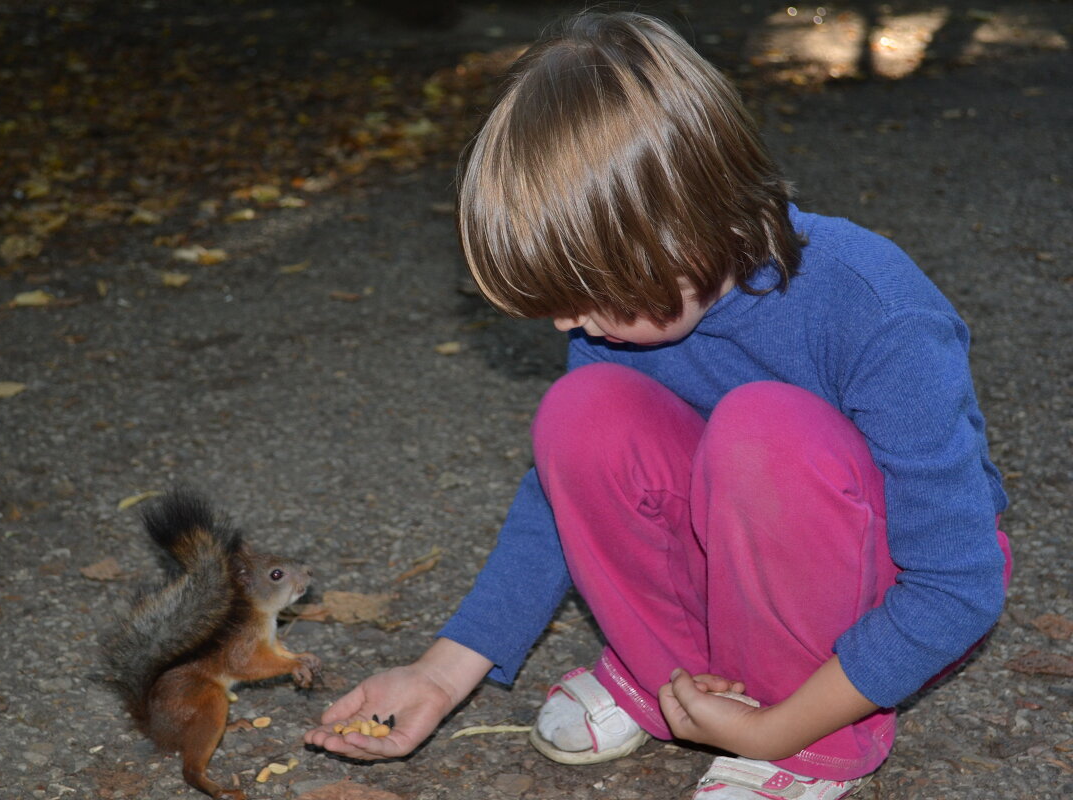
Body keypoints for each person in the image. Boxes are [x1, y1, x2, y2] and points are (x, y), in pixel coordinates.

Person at [304, 11, 1011, 798]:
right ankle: (679, 678)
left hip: (877, 593)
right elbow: (562, 499)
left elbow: (957, 583)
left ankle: (804, 734)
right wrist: (443, 671)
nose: (571, 324)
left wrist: (781, 727)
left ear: (680, 232)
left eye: (585, 300)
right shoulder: (626, 313)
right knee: (582, 411)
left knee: (759, 428)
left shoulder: (875, 307)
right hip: (735, 568)